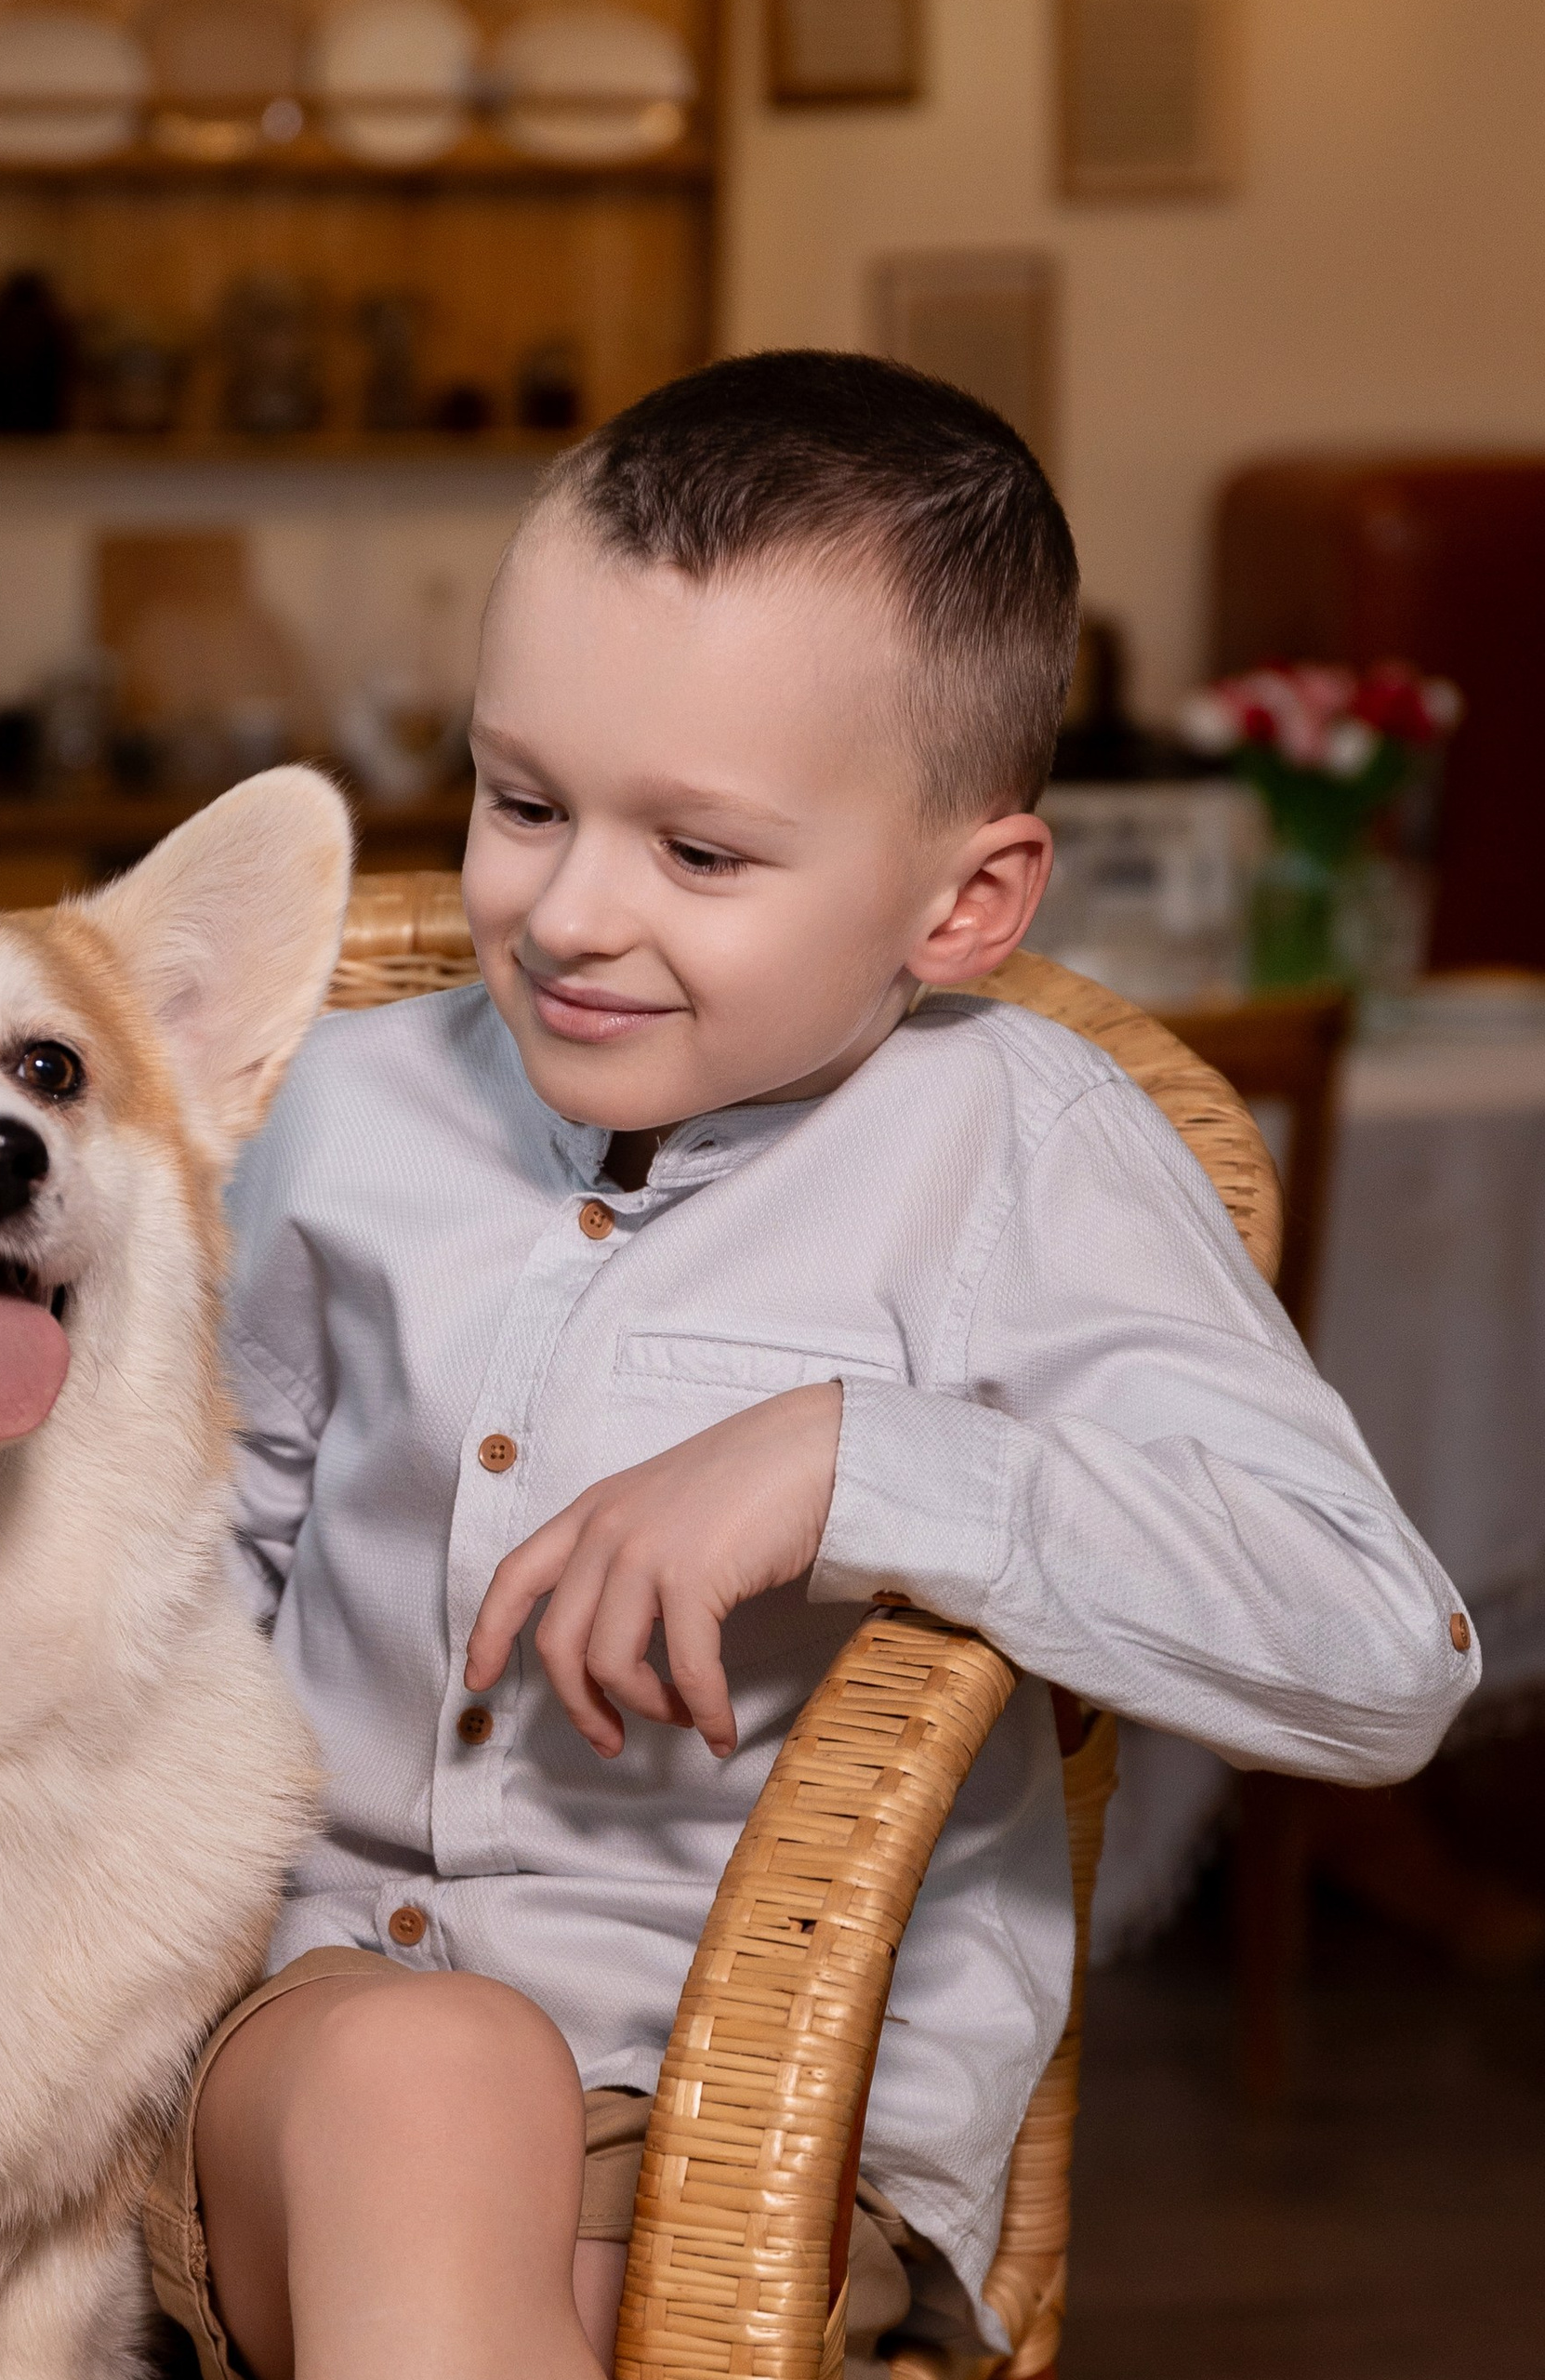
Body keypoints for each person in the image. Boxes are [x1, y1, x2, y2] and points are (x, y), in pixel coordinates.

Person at [142, 350, 1475, 2380]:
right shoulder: (332, 1108)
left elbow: (1381, 1654)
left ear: (962, 901)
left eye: (699, 852)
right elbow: (187, 1558)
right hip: (292, 2062)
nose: (565, 912)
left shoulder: (1022, 1156)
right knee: (424, 2076)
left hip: (741, 2146)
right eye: (519, 799)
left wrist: (858, 1459)